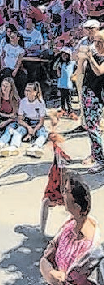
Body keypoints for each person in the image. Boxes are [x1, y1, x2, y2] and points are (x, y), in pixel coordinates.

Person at [40, 173, 104, 285]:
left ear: (77, 207)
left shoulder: (89, 250)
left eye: (66, 191)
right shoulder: (69, 224)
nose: (62, 194)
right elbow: (48, 253)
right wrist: (49, 272)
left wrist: (53, 275)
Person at [0, 82, 48, 158]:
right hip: (26, 122)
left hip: (37, 123)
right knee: (18, 131)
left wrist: (32, 132)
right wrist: (28, 127)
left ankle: (36, 146)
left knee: (43, 134)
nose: (26, 93)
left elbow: (41, 122)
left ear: (35, 92)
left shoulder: (40, 103)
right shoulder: (23, 101)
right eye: (26, 90)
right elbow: (20, 119)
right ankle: (13, 146)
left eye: (29, 91)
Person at [78, 29, 104, 173]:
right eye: (95, 41)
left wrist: (90, 57)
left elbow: (99, 71)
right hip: (89, 92)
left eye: (100, 41)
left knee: (94, 128)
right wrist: (82, 57)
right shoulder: (92, 53)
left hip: (98, 94)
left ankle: (99, 158)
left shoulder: (99, 57)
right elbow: (81, 69)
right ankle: (97, 156)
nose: (97, 44)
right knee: (91, 127)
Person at [40, 133, 72, 235]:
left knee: (46, 203)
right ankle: (43, 229)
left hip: (58, 185)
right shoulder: (57, 150)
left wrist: (63, 189)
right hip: (57, 184)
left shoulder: (58, 152)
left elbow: (63, 171)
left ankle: (43, 229)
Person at [56, 47, 77, 119]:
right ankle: (63, 109)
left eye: (66, 55)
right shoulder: (60, 64)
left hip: (68, 84)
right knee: (62, 97)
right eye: (63, 54)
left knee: (68, 98)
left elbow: (76, 70)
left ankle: (70, 110)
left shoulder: (72, 63)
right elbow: (58, 74)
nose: (64, 56)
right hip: (62, 83)